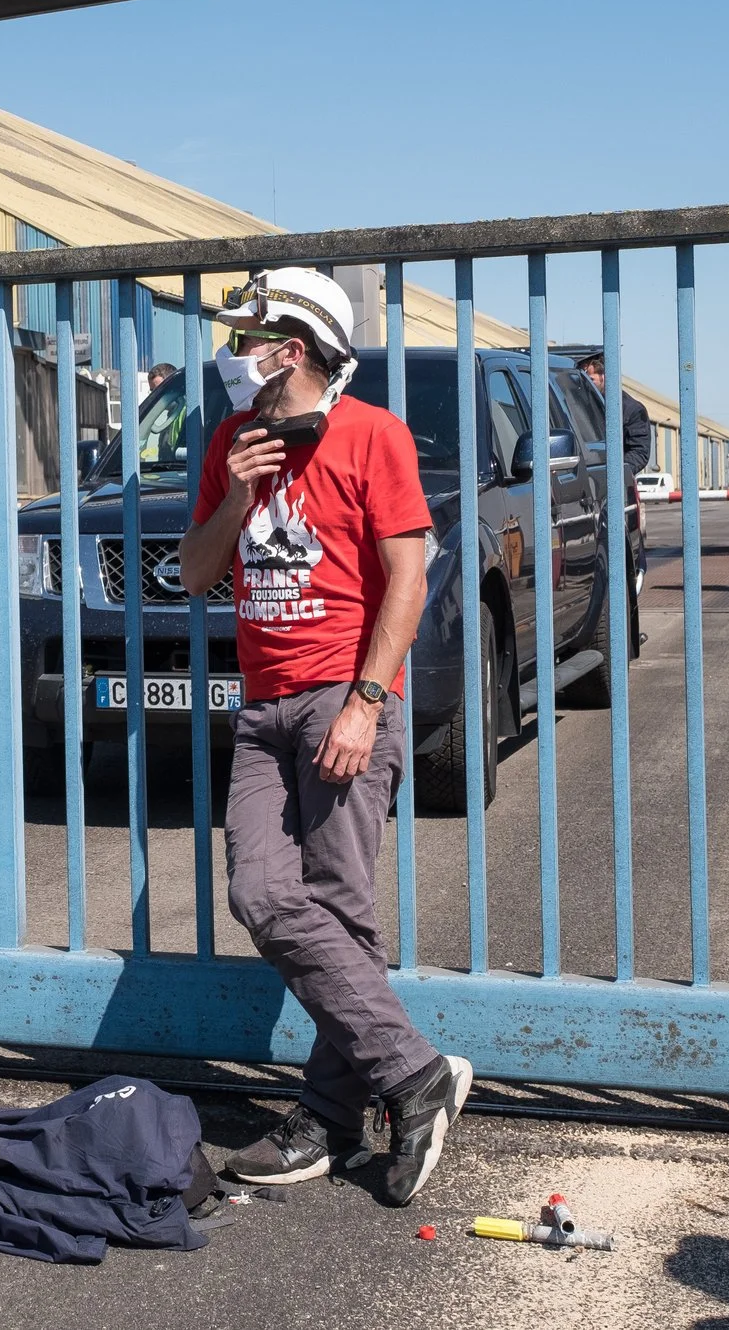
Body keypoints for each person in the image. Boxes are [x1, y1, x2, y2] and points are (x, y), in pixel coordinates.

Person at [177, 267, 471, 1203]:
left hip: (340, 698)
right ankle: (412, 1071)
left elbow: (408, 579)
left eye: (244, 339)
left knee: (341, 905)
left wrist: (366, 701)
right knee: (262, 893)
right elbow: (193, 573)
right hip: (263, 708)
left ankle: (329, 1118)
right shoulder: (234, 439)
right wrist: (234, 492)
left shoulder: (373, 435)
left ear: (290, 347)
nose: (232, 356)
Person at [574, 351, 650, 656]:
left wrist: (615, 472)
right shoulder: (576, 404)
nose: (586, 382)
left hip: (616, 494)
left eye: (590, 377)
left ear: (603, 375)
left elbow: (640, 452)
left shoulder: (630, 410)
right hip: (586, 495)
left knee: (628, 560)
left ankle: (625, 631)